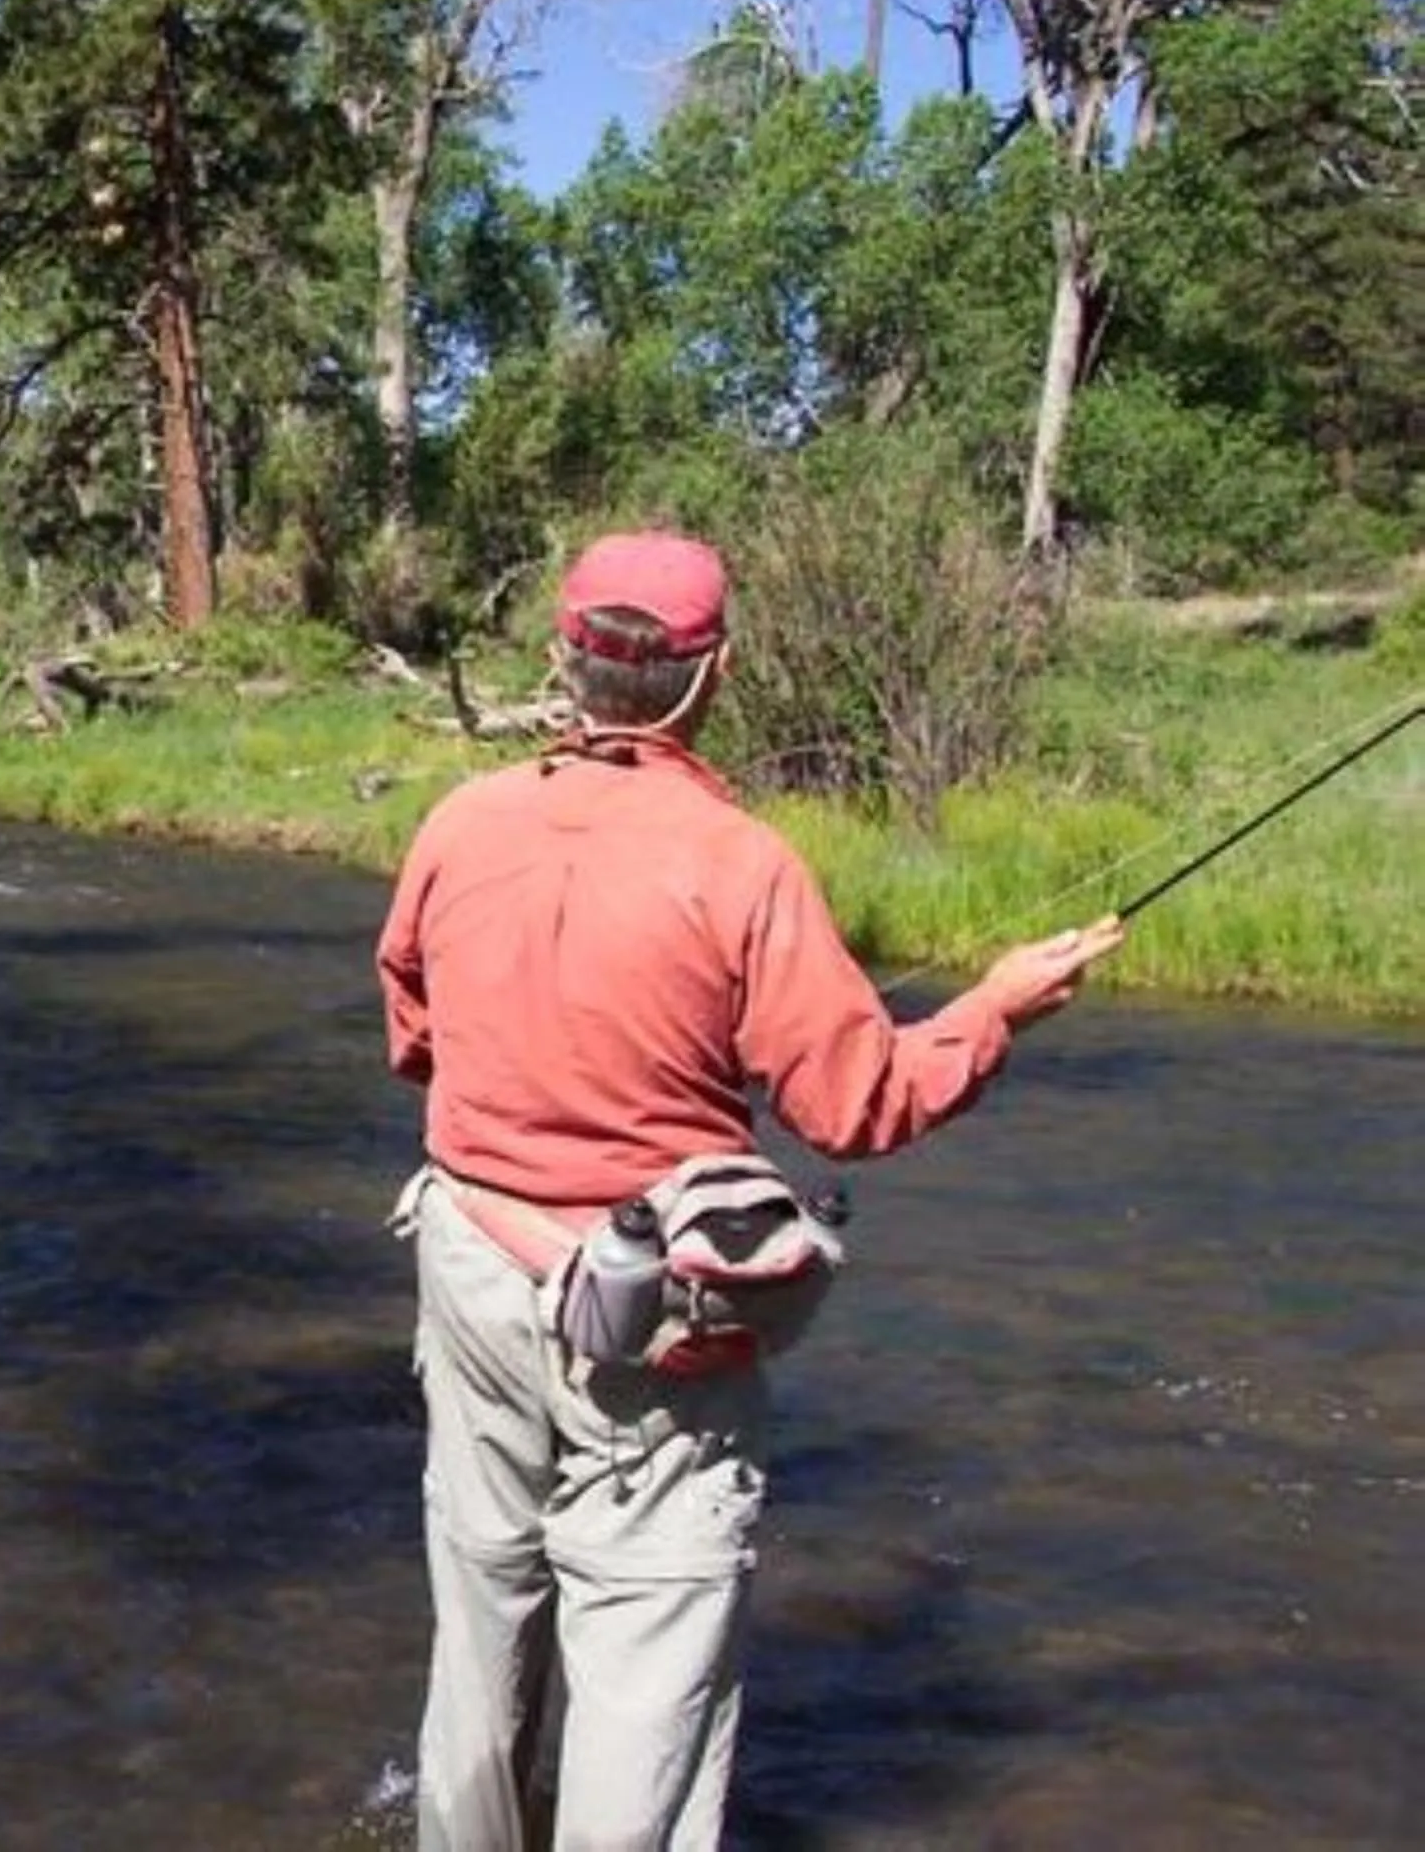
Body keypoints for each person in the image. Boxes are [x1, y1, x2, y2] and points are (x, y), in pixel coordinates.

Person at [374, 529, 1123, 1851]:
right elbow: (858, 1106)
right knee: (648, 1667)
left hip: (469, 1271)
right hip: (650, 1322)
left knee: (482, 1612)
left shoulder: (458, 821)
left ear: (565, 661)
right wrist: (996, 1010)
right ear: (709, 675)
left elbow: (412, 1032)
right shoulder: (745, 865)